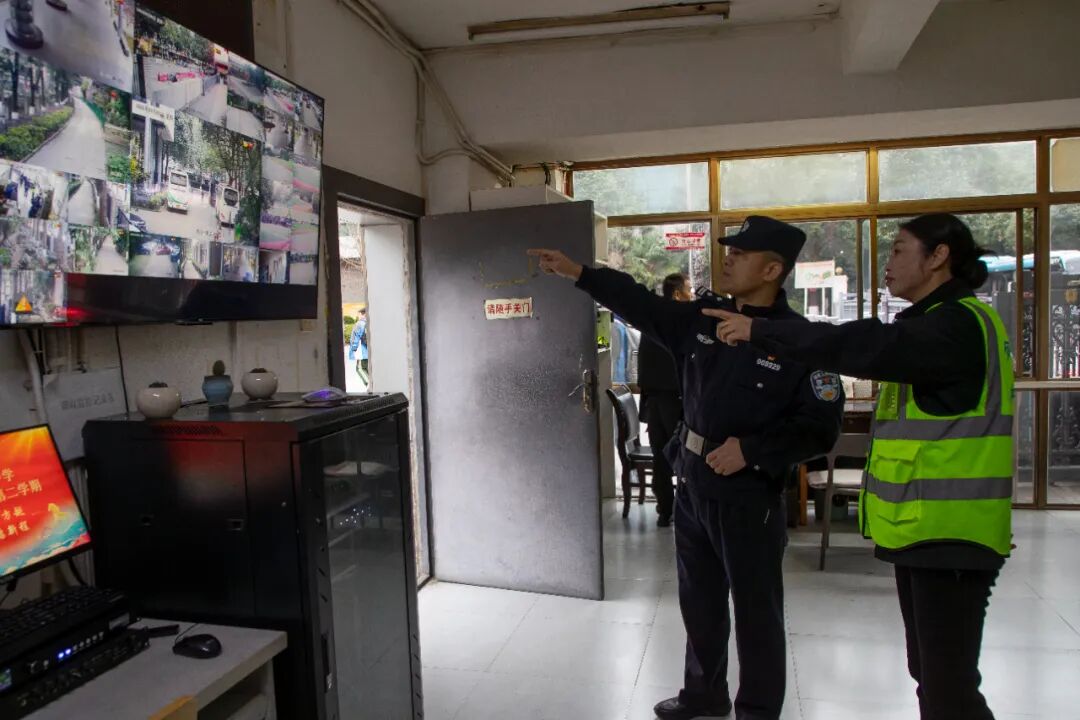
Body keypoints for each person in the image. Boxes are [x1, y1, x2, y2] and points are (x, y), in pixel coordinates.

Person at [528, 216, 843, 720]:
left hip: (748, 497)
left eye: (740, 255)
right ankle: (703, 694)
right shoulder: (703, 320)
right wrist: (579, 273)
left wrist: (753, 450)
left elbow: (819, 427)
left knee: (757, 611)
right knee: (699, 601)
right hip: (694, 486)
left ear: (772, 270)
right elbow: (639, 303)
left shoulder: (801, 340)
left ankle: (757, 711)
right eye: (729, 252)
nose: (728, 260)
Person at [709, 213, 1013, 720]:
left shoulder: (955, 324)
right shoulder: (933, 322)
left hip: (952, 533)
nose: (888, 262)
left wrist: (762, 332)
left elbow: (858, 346)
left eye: (898, 250)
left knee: (949, 689)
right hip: (928, 531)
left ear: (938, 257)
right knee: (932, 676)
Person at [639, 272, 694, 527]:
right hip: (676, 400)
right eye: (689, 290)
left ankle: (665, 510)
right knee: (685, 454)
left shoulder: (651, 320)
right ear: (677, 294)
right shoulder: (681, 321)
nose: (691, 295)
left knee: (661, 456)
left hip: (653, 401)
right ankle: (688, 509)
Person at [349, 308, 370, 387]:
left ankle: (369, 384)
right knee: (366, 368)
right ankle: (370, 384)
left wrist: (354, 348)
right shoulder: (368, 323)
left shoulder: (360, 324)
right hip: (366, 350)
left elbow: (357, 336)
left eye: (359, 313)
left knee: (360, 369)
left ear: (362, 314)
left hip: (361, 350)